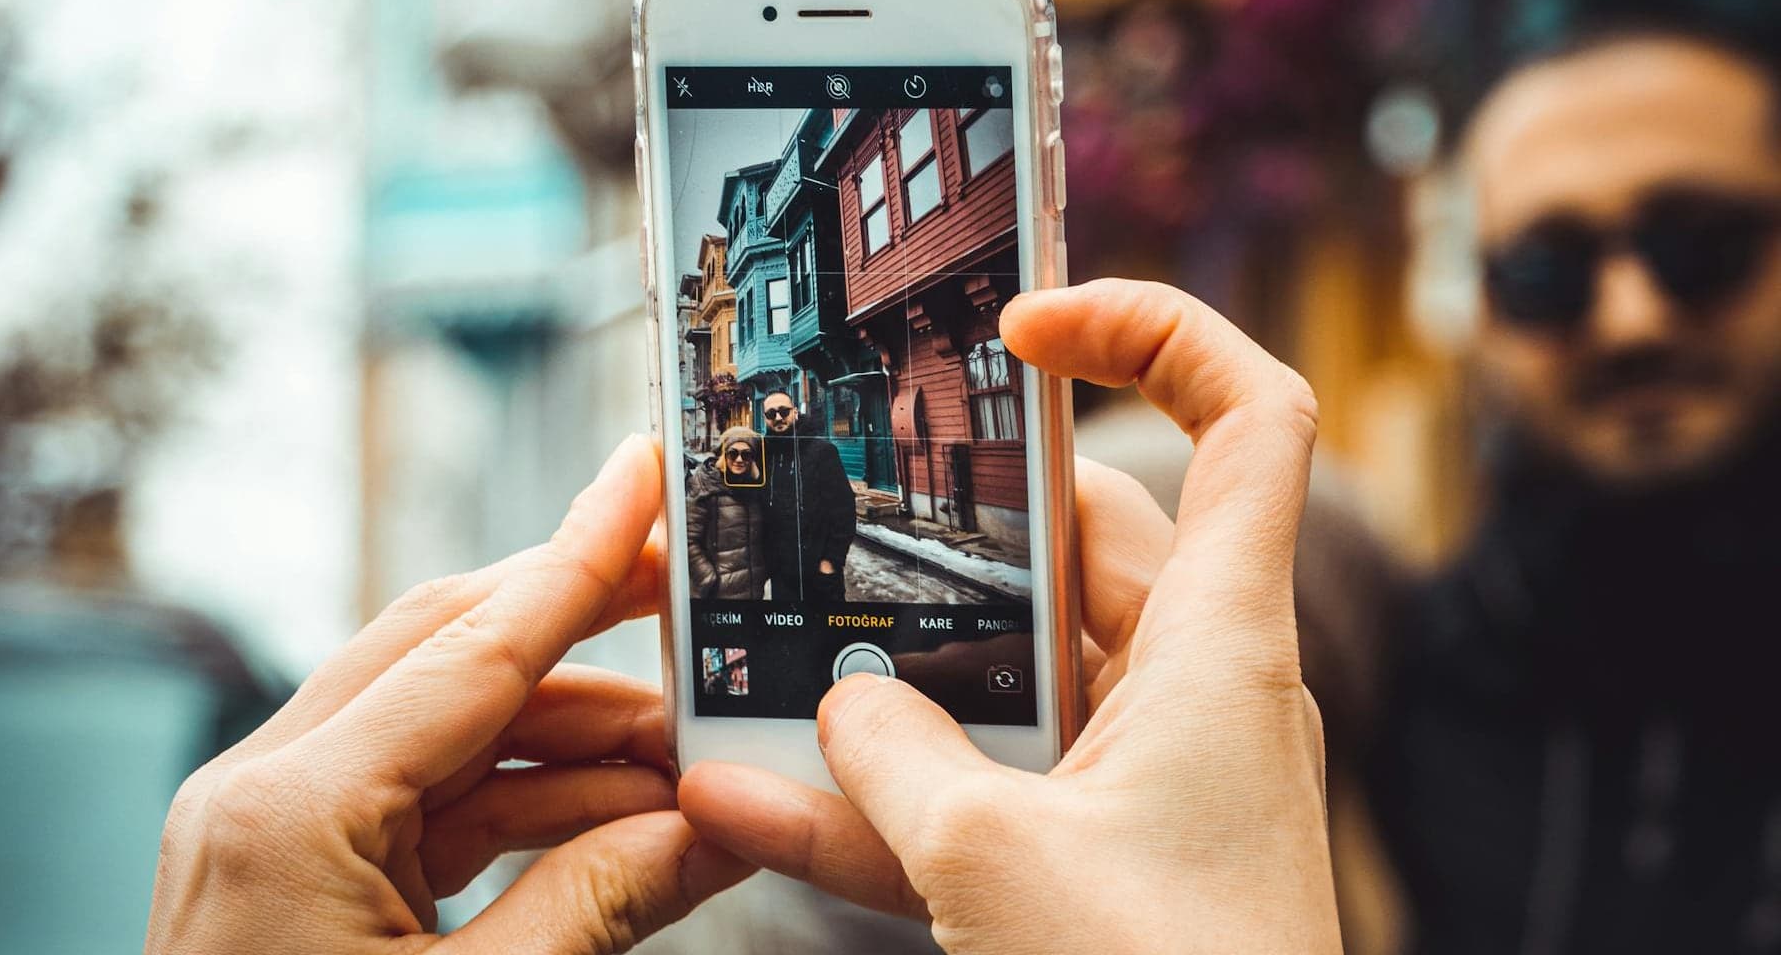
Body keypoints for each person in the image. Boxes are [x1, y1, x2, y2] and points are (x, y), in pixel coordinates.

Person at [145, 279, 1343, 954]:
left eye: (773, 415)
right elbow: (736, 531)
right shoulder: (741, 467)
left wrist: (811, 570)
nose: (765, 424)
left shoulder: (809, 458)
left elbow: (812, 522)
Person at [1351, 26, 1781, 955]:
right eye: (1549, 270)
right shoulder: (1410, 680)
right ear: (1487, 310)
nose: (1631, 319)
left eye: (1700, 244)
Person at [758, 389, 856, 603]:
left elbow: (844, 511)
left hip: (819, 574)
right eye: (770, 414)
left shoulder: (822, 452)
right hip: (782, 575)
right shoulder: (765, 455)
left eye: (783, 411)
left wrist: (831, 561)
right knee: (789, 634)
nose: (777, 418)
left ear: (795, 412)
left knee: (827, 635)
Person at [686, 426, 767, 600]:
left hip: (753, 591)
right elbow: (688, 539)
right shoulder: (706, 487)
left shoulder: (755, 488)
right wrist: (708, 578)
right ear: (724, 455)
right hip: (718, 594)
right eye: (733, 453)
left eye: (746, 454)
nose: (739, 459)